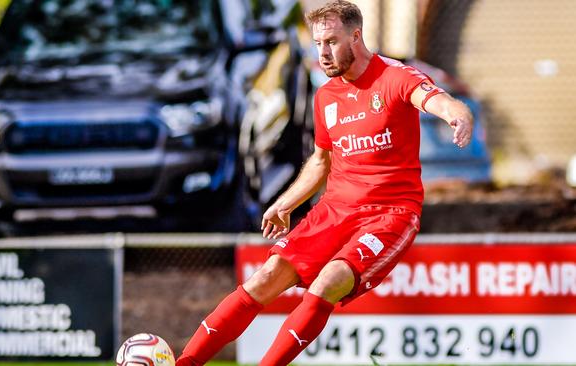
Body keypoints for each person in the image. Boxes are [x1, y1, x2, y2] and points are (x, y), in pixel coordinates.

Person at [175, 1, 473, 365]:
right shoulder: (326, 95)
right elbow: (320, 161)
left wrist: (458, 116)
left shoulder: (395, 77)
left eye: (331, 41)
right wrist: (285, 203)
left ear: (356, 36)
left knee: (328, 281)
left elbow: (437, 100)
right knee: (264, 278)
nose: (323, 53)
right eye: (318, 43)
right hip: (334, 210)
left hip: (389, 215)